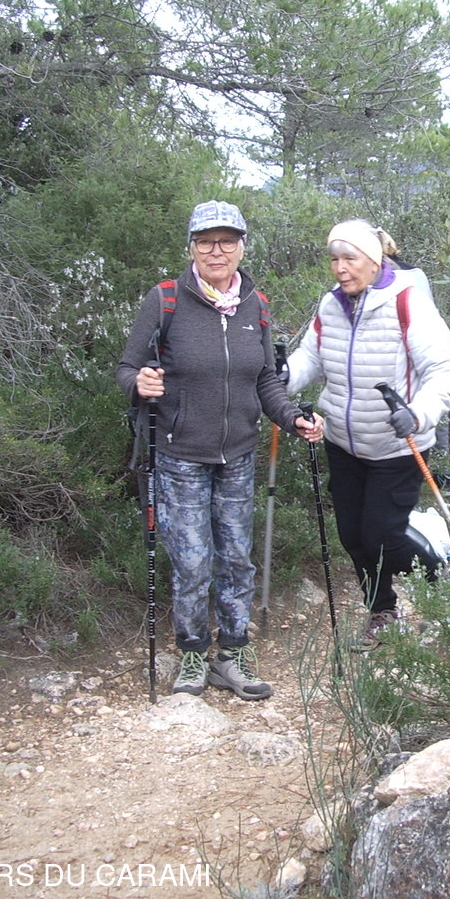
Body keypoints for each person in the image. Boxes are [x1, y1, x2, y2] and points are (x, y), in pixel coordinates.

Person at [118, 200, 322, 700]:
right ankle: (192, 653)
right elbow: (126, 369)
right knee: (192, 562)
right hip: (180, 455)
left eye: (227, 241)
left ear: (241, 247)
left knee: (235, 559)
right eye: (205, 241)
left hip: (239, 456)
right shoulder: (165, 300)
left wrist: (293, 418)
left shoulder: (257, 304)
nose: (216, 251)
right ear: (191, 247)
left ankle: (233, 654)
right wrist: (139, 384)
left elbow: (265, 381)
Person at [285, 219, 450, 650]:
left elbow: (443, 371)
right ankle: (382, 612)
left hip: (397, 445)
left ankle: (438, 572)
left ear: (374, 259)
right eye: (334, 259)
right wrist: (283, 376)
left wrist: (417, 414)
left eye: (350, 258)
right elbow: (311, 358)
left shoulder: (407, 302)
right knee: (352, 535)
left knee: (382, 536)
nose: (340, 268)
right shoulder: (331, 305)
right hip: (343, 443)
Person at [375, 228, 450, 493]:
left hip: (421, 348)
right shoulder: (416, 272)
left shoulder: (394, 275)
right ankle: (438, 475)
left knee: (425, 408)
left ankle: (436, 475)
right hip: (433, 345)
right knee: (431, 410)